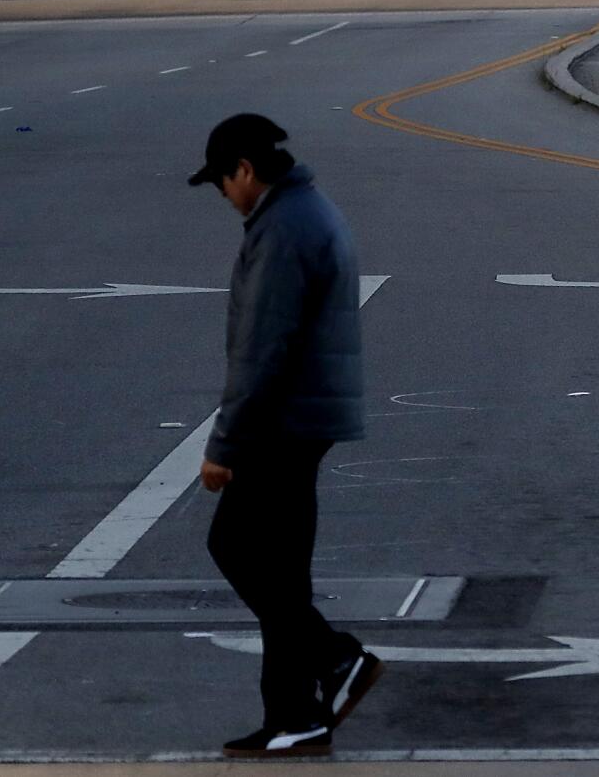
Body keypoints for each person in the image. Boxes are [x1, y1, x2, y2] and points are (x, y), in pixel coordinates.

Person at [190, 114, 381, 759]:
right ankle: (297, 715)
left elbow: (260, 351)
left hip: (285, 420)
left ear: (244, 169)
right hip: (306, 415)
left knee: (236, 545)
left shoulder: (285, 227)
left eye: (221, 181)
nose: (223, 196)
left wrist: (225, 445)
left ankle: (335, 659)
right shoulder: (304, 211)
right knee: (279, 570)